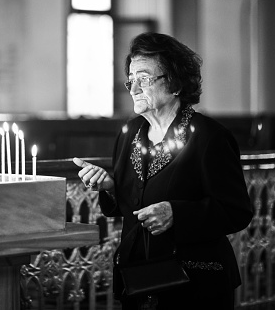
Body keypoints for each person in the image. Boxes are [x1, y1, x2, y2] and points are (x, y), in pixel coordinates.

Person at [73, 32, 253, 309]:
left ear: (175, 82)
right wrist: (109, 187)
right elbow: (130, 203)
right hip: (139, 278)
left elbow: (236, 211)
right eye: (131, 79)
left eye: (144, 79)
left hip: (195, 283)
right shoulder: (130, 133)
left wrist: (176, 214)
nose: (133, 89)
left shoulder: (209, 136)